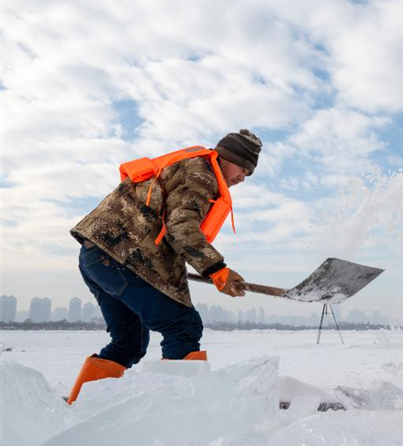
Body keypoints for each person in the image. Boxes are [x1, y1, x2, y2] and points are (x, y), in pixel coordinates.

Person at [66, 129, 262, 404]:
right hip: (124, 257)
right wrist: (216, 269)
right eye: (242, 168)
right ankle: (177, 414)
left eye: (248, 173)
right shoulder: (201, 173)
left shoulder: (188, 168)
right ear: (224, 157)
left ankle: (78, 410)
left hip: (97, 257)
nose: (243, 177)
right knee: (183, 326)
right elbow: (180, 228)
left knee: (128, 344)